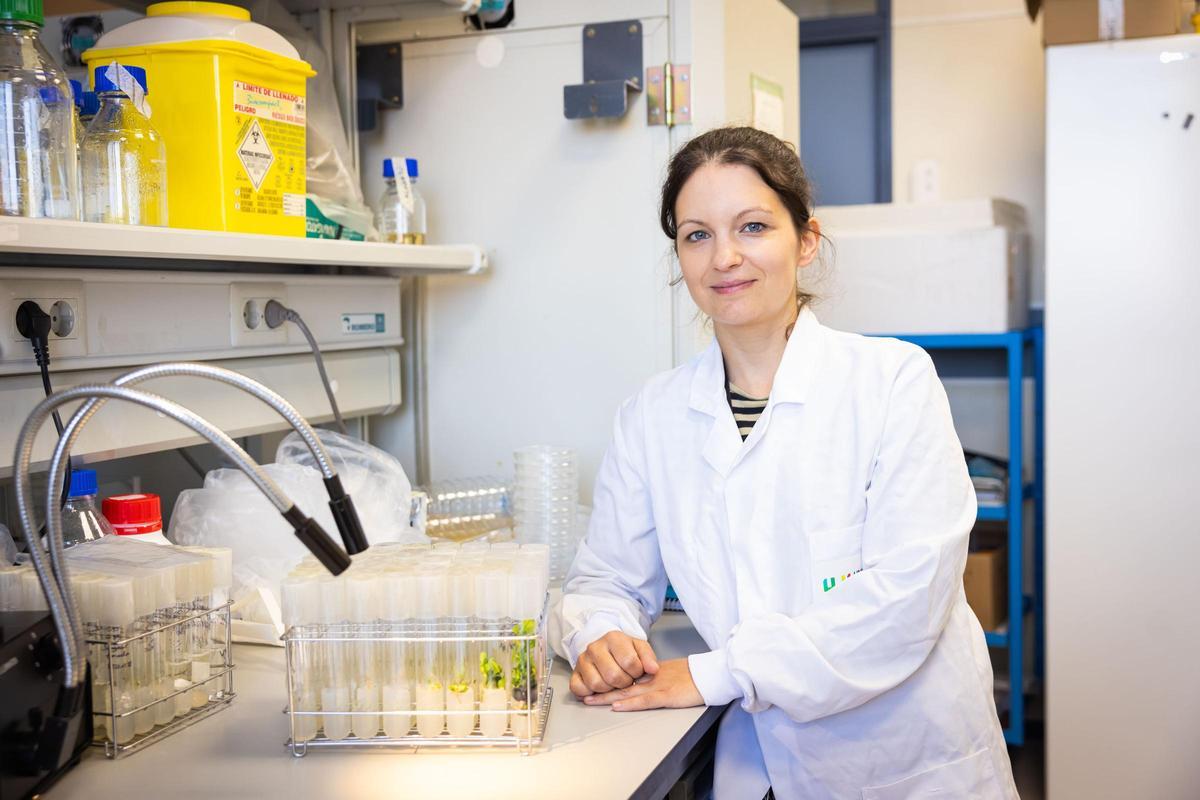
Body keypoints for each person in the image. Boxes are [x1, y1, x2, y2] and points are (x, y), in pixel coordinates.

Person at [550, 126, 1019, 799]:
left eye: (753, 226)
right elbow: (605, 579)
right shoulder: (651, 416)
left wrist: (715, 674)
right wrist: (602, 636)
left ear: (805, 241)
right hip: (759, 765)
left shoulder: (892, 381)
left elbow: (908, 597)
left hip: (898, 761)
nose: (724, 257)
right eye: (697, 235)